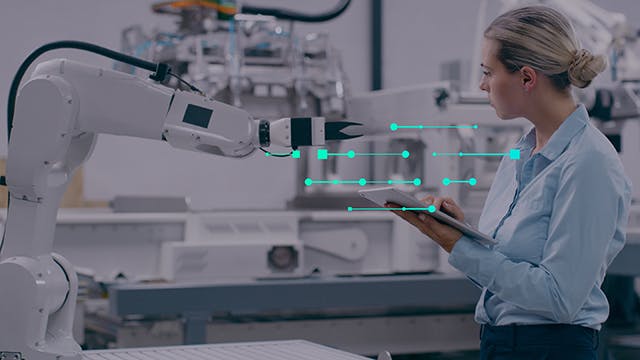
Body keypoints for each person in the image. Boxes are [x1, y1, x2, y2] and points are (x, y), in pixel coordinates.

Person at [386, 5, 632, 360]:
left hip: (551, 350)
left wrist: (460, 247)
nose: (482, 84)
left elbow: (559, 298)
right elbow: (509, 275)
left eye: (488, 72)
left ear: (527, 78)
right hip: (502, 344)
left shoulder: (588, 163)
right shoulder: (520, 155)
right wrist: (460, 232)